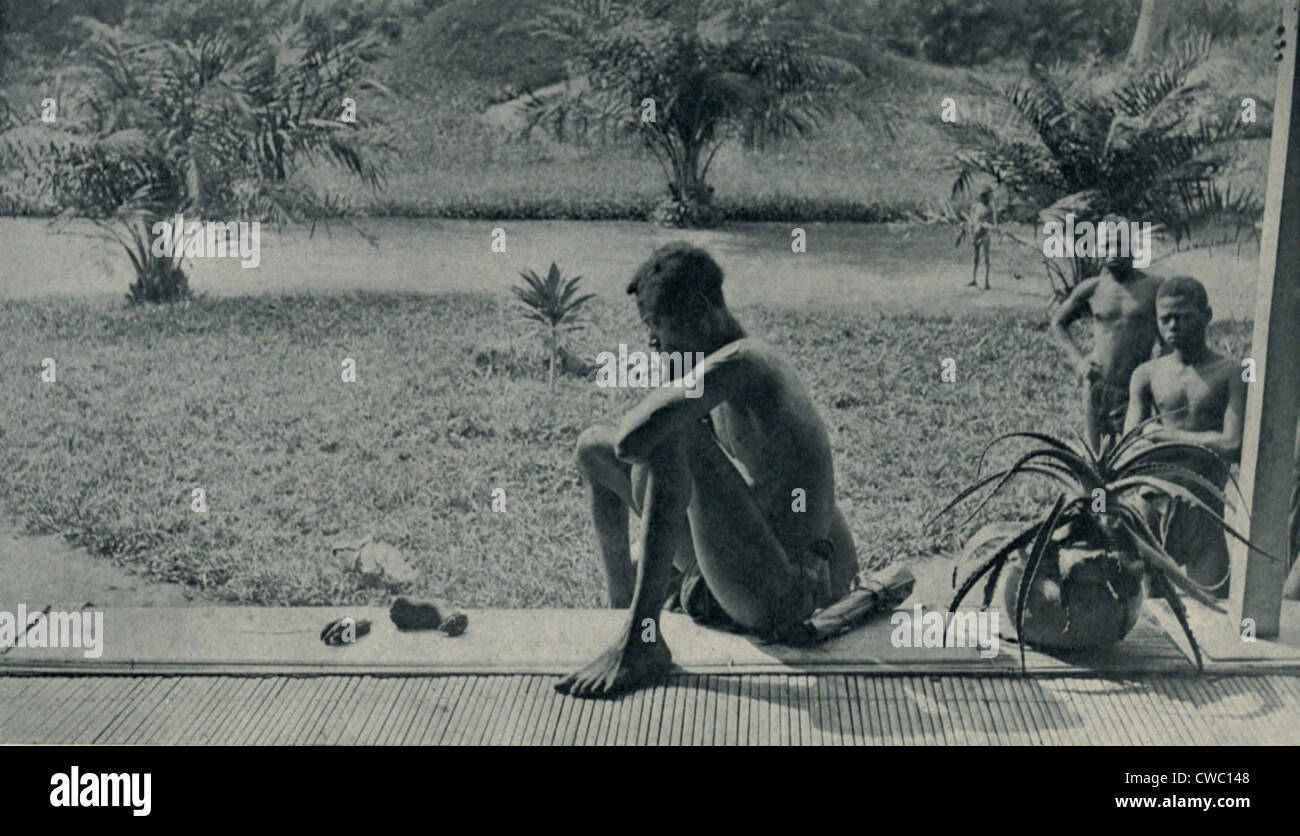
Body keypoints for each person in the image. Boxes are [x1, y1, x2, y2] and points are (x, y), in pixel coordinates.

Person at [557, 243, 859, 698]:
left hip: (787, 595)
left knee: (669, 433)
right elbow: (623, 451)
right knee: (591, 451)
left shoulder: (745, 364)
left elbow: (635, 438)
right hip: (752, 567)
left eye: (656, 328)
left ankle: (642, 640)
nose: (653, 344)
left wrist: (673, 390)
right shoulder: (717, 366)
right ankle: (622, 613)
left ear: (700, 314)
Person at [1123, 276, 1244, 596]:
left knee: (1214, 608)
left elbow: (1233, 444)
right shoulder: (1147, 375)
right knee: (1155, 613)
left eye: (1183, 316)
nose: (1173, 325)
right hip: (1153, 504)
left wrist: (1163, 435)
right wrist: (1201, 440)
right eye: (1165, 318)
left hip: (1204, 508)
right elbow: (1130, 444)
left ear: (1207, 315)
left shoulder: (1231, 373)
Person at [1051, 225, 1163, 453]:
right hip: (1098, 384)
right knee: (1097, 457)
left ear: (1133, 247)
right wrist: (1079, 360)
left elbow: (1168, 340)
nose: (1111, 251)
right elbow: (1058, 323)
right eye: (1105, 246)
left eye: (1119, 245)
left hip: (1137, 388)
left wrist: (1161, 375)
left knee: (1137, 453)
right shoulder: (1093, 288)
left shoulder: (1154, 288)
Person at [964, 188, 996, 290]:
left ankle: (986, 282)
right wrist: (971, 233)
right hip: (976, 234)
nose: (983, 198)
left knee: (986, 259)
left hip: (985, 235)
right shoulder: (976, 207)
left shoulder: (990, 209)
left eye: (985, 196)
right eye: (982, 196)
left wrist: (985, 225)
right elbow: (972, 221)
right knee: (976, 258)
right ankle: (974, 279)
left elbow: (993, 225)